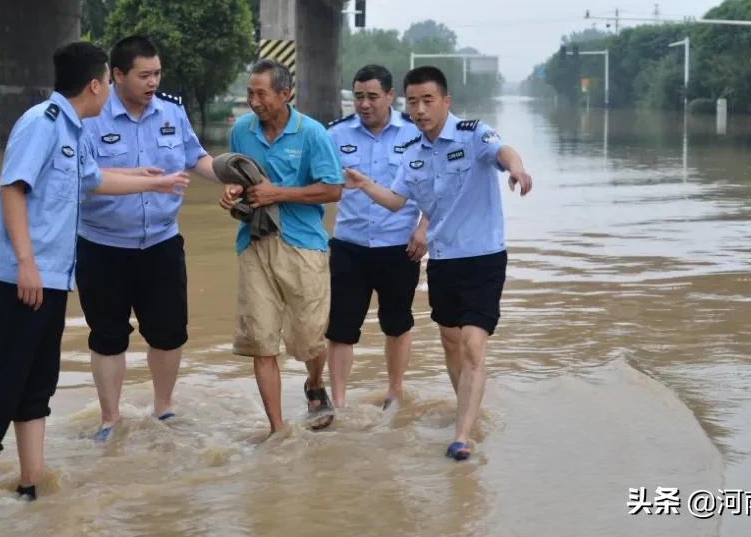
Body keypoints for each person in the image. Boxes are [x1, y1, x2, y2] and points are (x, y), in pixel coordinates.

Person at [0, 42, 190, 527]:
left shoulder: (72, 130)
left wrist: (150, 181)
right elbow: (12, 188)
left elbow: (93, 180)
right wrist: (27, 263)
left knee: (38, 381)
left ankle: (32, 478)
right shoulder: (42, 124)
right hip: (17, 276)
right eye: (107, 87)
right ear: (97, 85)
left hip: (52, 276)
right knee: (7, 379)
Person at [342, 66, 532, 462]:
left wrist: (516, 168)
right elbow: (396, 201)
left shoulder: (472, 133)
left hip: (483, 255)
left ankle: (462, 436)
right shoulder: (411, 154)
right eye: (412, 102)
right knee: (450, 341)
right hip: (443, 260)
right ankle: (470, 408)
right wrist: (363, 184)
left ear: (446, 101)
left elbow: (503, 151)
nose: (420, 109)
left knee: (472, 344)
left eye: (428, 100)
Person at [77, 35, 220, 441]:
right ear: (116, 75)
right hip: (102, 246)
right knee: (107, 335)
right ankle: (110, 418)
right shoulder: (90, 118)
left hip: (161, 243)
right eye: (144, 75)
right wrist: (145, 186)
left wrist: (229, 178)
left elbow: (196, 159)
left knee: (169, 330)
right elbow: (84, 182)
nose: (152, 81)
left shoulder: (172, 114)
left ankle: (164, 408)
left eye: (156, 73)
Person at [218, 59, 343, 433]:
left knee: (309, 338)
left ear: (285, 94)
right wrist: (232, 191)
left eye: (262, 94)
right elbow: (239, 176)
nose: (254, 102)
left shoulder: (313, 134)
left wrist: (279, 192)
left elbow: (333, 189)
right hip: (254, 243)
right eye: (249, 93)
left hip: (303, 244)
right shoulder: (242, 130)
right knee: (260, 340)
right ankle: (277, 429)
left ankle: (315, 384)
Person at [325, 65, 427, 410]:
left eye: (372, 97)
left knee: (397, 324)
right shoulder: (335, 135)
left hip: (400, 247)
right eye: (357, 97)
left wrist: (424, 228)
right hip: (348, 246)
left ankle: (395, 392)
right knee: (340, 328)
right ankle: (338, 403)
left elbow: (438, 186)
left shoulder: (414, 134)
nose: (364, 104)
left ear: (389, 97)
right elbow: (317, 182)